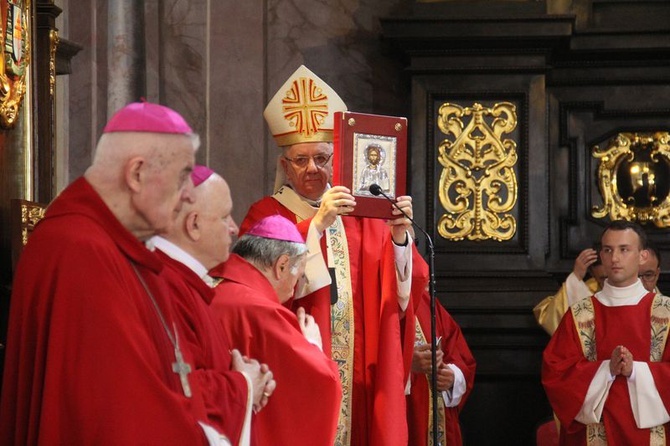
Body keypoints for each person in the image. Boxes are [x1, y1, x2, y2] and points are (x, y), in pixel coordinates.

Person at [0, 102, 231, 444]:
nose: (186, 195)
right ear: (136, 174)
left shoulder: (123, 249)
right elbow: (117, 417)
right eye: (183, 175)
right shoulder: (80, 251)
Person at [240, 65, 429, 445]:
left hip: (363, 374)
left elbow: (407, 291)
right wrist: (316, 226)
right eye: (300, 159)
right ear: (284, 165)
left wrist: (398, 239)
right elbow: (253, 294)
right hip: (298, 372)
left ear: (337, 159)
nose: (313, 168)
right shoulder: (265, 215)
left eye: (322, 158)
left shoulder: (363, 214)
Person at [147, 165, 277, 444]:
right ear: (193, 224)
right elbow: (174, 392)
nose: (233, 228)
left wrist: (247, 382)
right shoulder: (164, 287)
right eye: (224, 217)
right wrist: (244, 385)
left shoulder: (185, 282)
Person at [209, 214, 342, 445]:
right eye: (298, 278)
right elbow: (322, 384)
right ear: (281, 265)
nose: (293, 292)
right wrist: (312, 346)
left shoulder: (209, 287)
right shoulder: (262, 312)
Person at [542, 220, 670, 445]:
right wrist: (606, 369)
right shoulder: (579, 314)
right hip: (592, 435)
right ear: (601, 255)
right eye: (608, 250)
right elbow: (556, 373)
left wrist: (635, 371)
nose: (615, 258)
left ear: (642, 256)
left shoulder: (666, 313)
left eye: (624, 249)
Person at [407, 289, 476, 446]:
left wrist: (452, 377)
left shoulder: (425, 301)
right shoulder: (365, 300)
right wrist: (405, 365)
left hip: (432, 421)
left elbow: (460, 355)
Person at [533, 246, 607, 335]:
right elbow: (552, 320)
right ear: (593, 274)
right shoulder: (586, 291)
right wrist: (576, 277)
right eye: (603, 279)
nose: (609, 283)